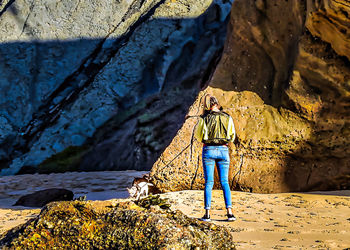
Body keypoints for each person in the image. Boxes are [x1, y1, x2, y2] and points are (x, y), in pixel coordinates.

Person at [195, 95, 236, 222]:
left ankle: (207, 214)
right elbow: (232, 136)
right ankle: (229, 212)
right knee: (224, 182)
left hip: (208, 150)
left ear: (207, 106)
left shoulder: (204, 118)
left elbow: (198, 135)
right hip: (223, 150)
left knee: (209, 183)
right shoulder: (227, 117)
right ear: (217, 104)